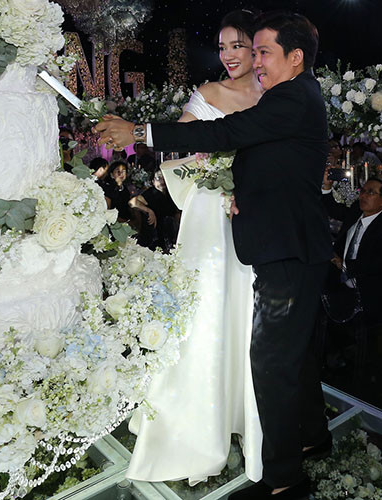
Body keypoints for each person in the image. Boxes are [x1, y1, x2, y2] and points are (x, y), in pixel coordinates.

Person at [96, 11, 333, 500]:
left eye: (263, 52)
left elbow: (223, 134)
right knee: (297, 353)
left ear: (295, 57)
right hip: (292, 245)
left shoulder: (291, 97)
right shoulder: (299, 95)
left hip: (288, 251)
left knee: (270, 361)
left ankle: (284, 479)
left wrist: (140, 132)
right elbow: (268, 161)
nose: (256, 62)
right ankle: (313, 438)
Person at [125, 9, 264, 486]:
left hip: (253, 218)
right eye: (222, 47)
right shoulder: (207, 95)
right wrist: (207, 168)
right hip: (209, 216)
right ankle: (196, 428)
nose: (228, 56)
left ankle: (245, 416)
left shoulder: (272, 96)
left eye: (237, 46)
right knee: (206, 308)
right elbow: (178, 148)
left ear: (257, 48)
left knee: (247, 313)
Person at [322, 176, 382, 327]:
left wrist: (343, 264)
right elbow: (334, 209)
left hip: (368, 295)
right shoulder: (356, 210)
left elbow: (376, 263)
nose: (363, 196)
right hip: (340, 288)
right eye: (362, 191)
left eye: (371, 192)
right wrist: (327, 187)